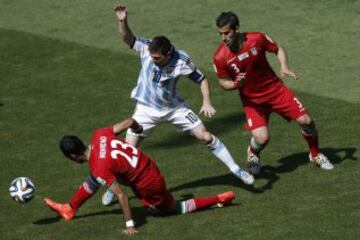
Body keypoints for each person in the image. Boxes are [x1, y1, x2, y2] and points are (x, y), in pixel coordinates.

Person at [102, 4, 254, 204]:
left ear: (167, 54)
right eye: (152, 57)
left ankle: (236, 170)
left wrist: (206, 101)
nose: (153, 60)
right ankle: (114, 189)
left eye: (157, 58)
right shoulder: (147, 49)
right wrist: (122, 20)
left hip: (175, 109)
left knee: (205, 136)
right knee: (127, 153)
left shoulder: (181, 60)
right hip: (146, 110)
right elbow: (128, 38)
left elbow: (201, 79)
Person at [44, 118, 236, 235]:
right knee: (95, 179)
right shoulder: (99, 134)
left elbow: (121, 196)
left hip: (148, 185)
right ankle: (70, 208)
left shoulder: (99, 167)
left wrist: (129, 224)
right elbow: (129, 122)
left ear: (72, 157)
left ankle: (217, 199)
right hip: (147, 166)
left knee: (171, 208)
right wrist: (136, 128)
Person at [212, 11, 334, 175]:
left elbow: (277, 49)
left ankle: (315, 154)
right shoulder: (220, 57)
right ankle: (253, 152)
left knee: (306, 121)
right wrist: (235, 84)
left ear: (237, 29)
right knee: (262, 138)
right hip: (253, 101)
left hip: (276, 91)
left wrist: (284, 66)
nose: (223, 38)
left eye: (227, 33)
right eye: (220, 34)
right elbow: (222, 82)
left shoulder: (257, 38)